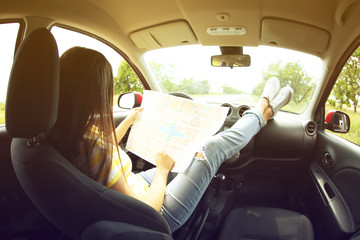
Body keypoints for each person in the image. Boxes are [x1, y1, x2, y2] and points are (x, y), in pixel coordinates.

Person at [47, 47, 293, 232]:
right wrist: (163, 170)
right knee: (211, 148)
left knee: (188, 152)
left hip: (133, 187)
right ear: (94, 93)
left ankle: (264, 111)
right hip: (158, 214)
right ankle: (262, 111)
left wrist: (128, 121)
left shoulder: (67, 134)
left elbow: (104, 147)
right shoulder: (93, 150)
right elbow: (149, 209)